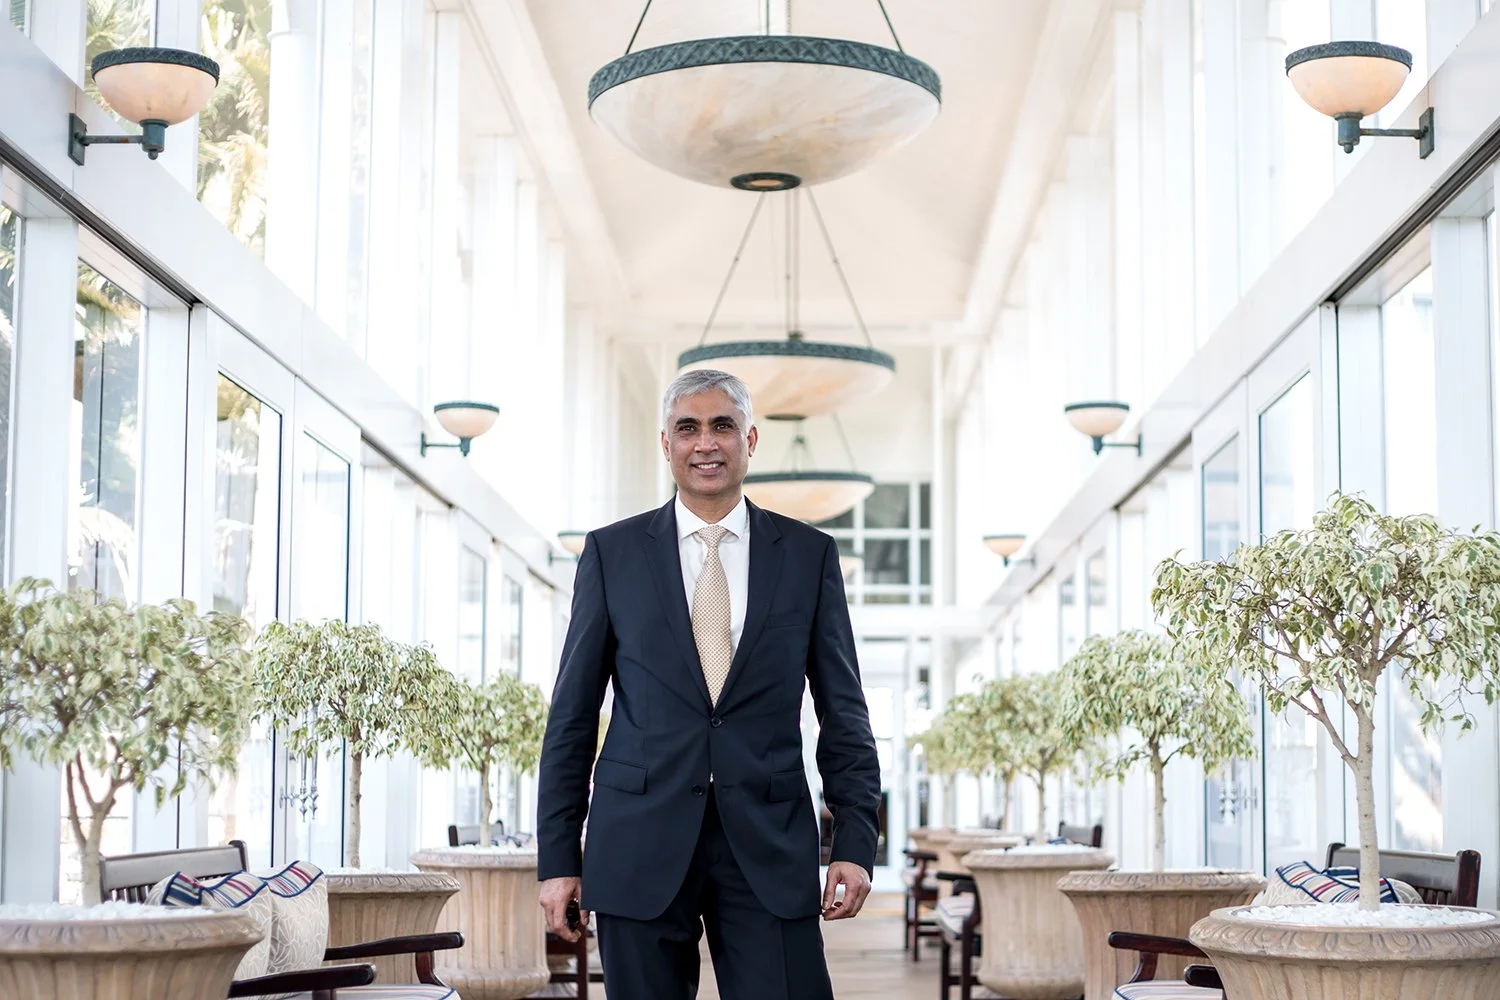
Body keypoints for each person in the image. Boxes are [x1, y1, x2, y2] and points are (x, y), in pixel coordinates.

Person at [536, 369, 882, 1000]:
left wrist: (856, 842)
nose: (706, 443)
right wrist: (559, 857)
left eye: (722, 425)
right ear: (665, 444)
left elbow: (845, 713)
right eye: (687, 428)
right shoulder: (612, 554)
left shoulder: (808, 556)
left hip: (768, 846)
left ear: (750, 440)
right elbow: (572, 717)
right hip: (637, 840)